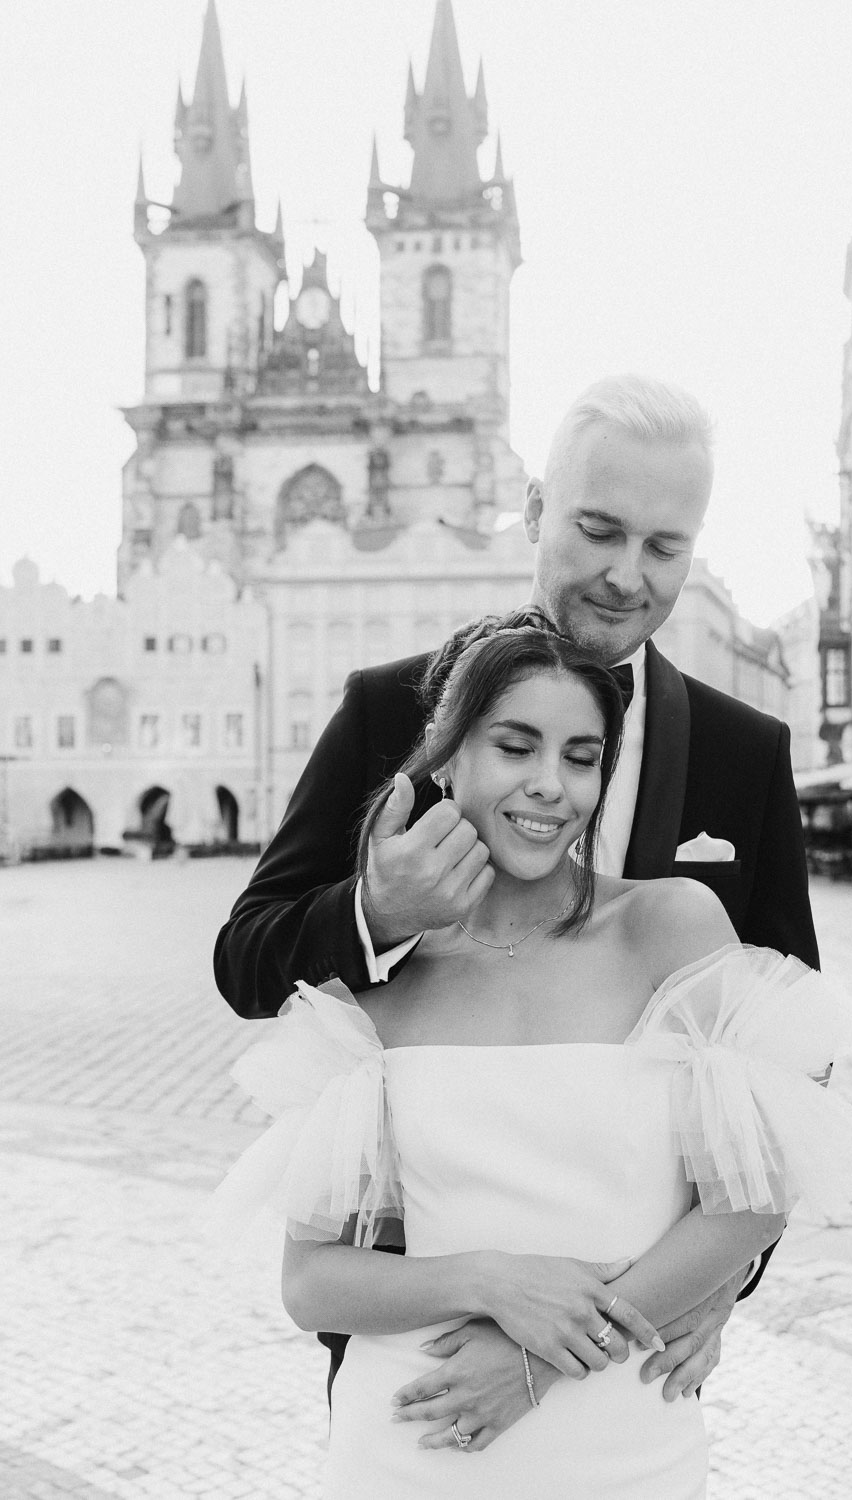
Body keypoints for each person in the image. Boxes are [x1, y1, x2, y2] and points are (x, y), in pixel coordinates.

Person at [214, 373, 819, 1399]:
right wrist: (376, 914)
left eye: (664, 548)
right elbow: (246, 958)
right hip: (421, 1347)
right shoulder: (386, 709)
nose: (627, 576)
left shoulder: (740, 751)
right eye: (597, 530)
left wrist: (718, 1282)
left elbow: (794, 1052)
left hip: (637, 1346)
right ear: (535, 510)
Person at [214, 622, 852, 1495]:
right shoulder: (380, 975)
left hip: (623, 1439)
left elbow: (752, 1200)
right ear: (446, 760)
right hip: (413, 1439)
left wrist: (541, 1362)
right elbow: (311, 1282)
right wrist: (487, 1281)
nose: (550, 785)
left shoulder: (670, 927)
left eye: (581, 756)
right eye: (514, 745)